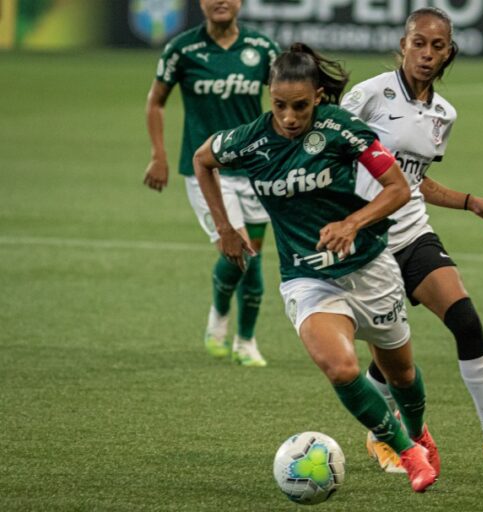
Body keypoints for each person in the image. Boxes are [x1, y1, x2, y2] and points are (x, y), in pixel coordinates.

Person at [193, 43, 439, 493]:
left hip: (369, 266)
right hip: (307, 277)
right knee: (341, 368)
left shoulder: (341, 128)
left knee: (401, 373)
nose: (289, 117)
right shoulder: (249, 139)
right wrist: (225, 228)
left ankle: (420, 432)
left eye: (300, 106)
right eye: (280, 106)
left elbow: (397, 188)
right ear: (269, 97)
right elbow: (202, 159)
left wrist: (352, 222)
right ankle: (406, 450)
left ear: (319, 97)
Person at [341, 7, 483, 473]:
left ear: (449, 51)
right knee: (390, 358)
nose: (427, 53)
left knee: (467, 321)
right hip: (368, 244)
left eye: (437, 46)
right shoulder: (368, 96)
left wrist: (472, 201)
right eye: (419, 42)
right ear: (403, 44)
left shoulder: (444, 113)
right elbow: (328, 152)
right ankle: (381, 437)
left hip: (413, 232)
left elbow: (413, 181)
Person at [143, 0, 279, 367]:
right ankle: (226, 326)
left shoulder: (262, 48)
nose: (221, 1)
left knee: (252, 254)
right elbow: (156, 101)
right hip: (207, 170)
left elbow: (285, 99)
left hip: (254, 167)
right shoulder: (182, 49)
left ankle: (242, 339)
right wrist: (159, 155)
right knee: (239, 252)